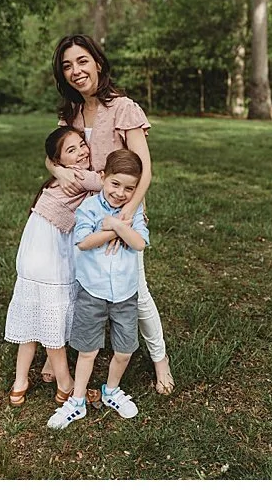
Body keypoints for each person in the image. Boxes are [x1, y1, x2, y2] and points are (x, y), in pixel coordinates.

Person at [47, 33, 174, 396]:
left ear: (98, 63)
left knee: (137, 291)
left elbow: (145, 171)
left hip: (121, 210)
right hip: (81, 212)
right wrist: (58, 171)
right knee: (76, 281)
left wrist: (124, 221)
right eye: (67, 66)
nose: (76, 71)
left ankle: (160, 359)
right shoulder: (70, 112)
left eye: (82, 61)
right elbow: (53, 153)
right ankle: (57, 350)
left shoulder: (123, 108)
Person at [47, 148, 150, 429]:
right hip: (92, 290)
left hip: (125, 293)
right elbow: (83, 241)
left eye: (130, 188)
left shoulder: (133, 210)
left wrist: (115, 222)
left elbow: (140, 243)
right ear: (103, 177)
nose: (120, 193)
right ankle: (77, 400)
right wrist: (117, 231)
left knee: (126, 349)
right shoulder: (89, 208)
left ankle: (112, 390)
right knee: (88, 350)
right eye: (115, 184)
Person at [5, 125, 104, 406]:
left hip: (33, 252)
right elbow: (102, 183)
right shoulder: (79, 177)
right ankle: (66, 385)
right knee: (52, 324)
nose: (83, 150)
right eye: (72, 150)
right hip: (49, 256)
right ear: (59, 162)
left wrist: (57, 166)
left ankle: (19, 384)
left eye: (82, 144)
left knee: (32, 323)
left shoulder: (60, 174)